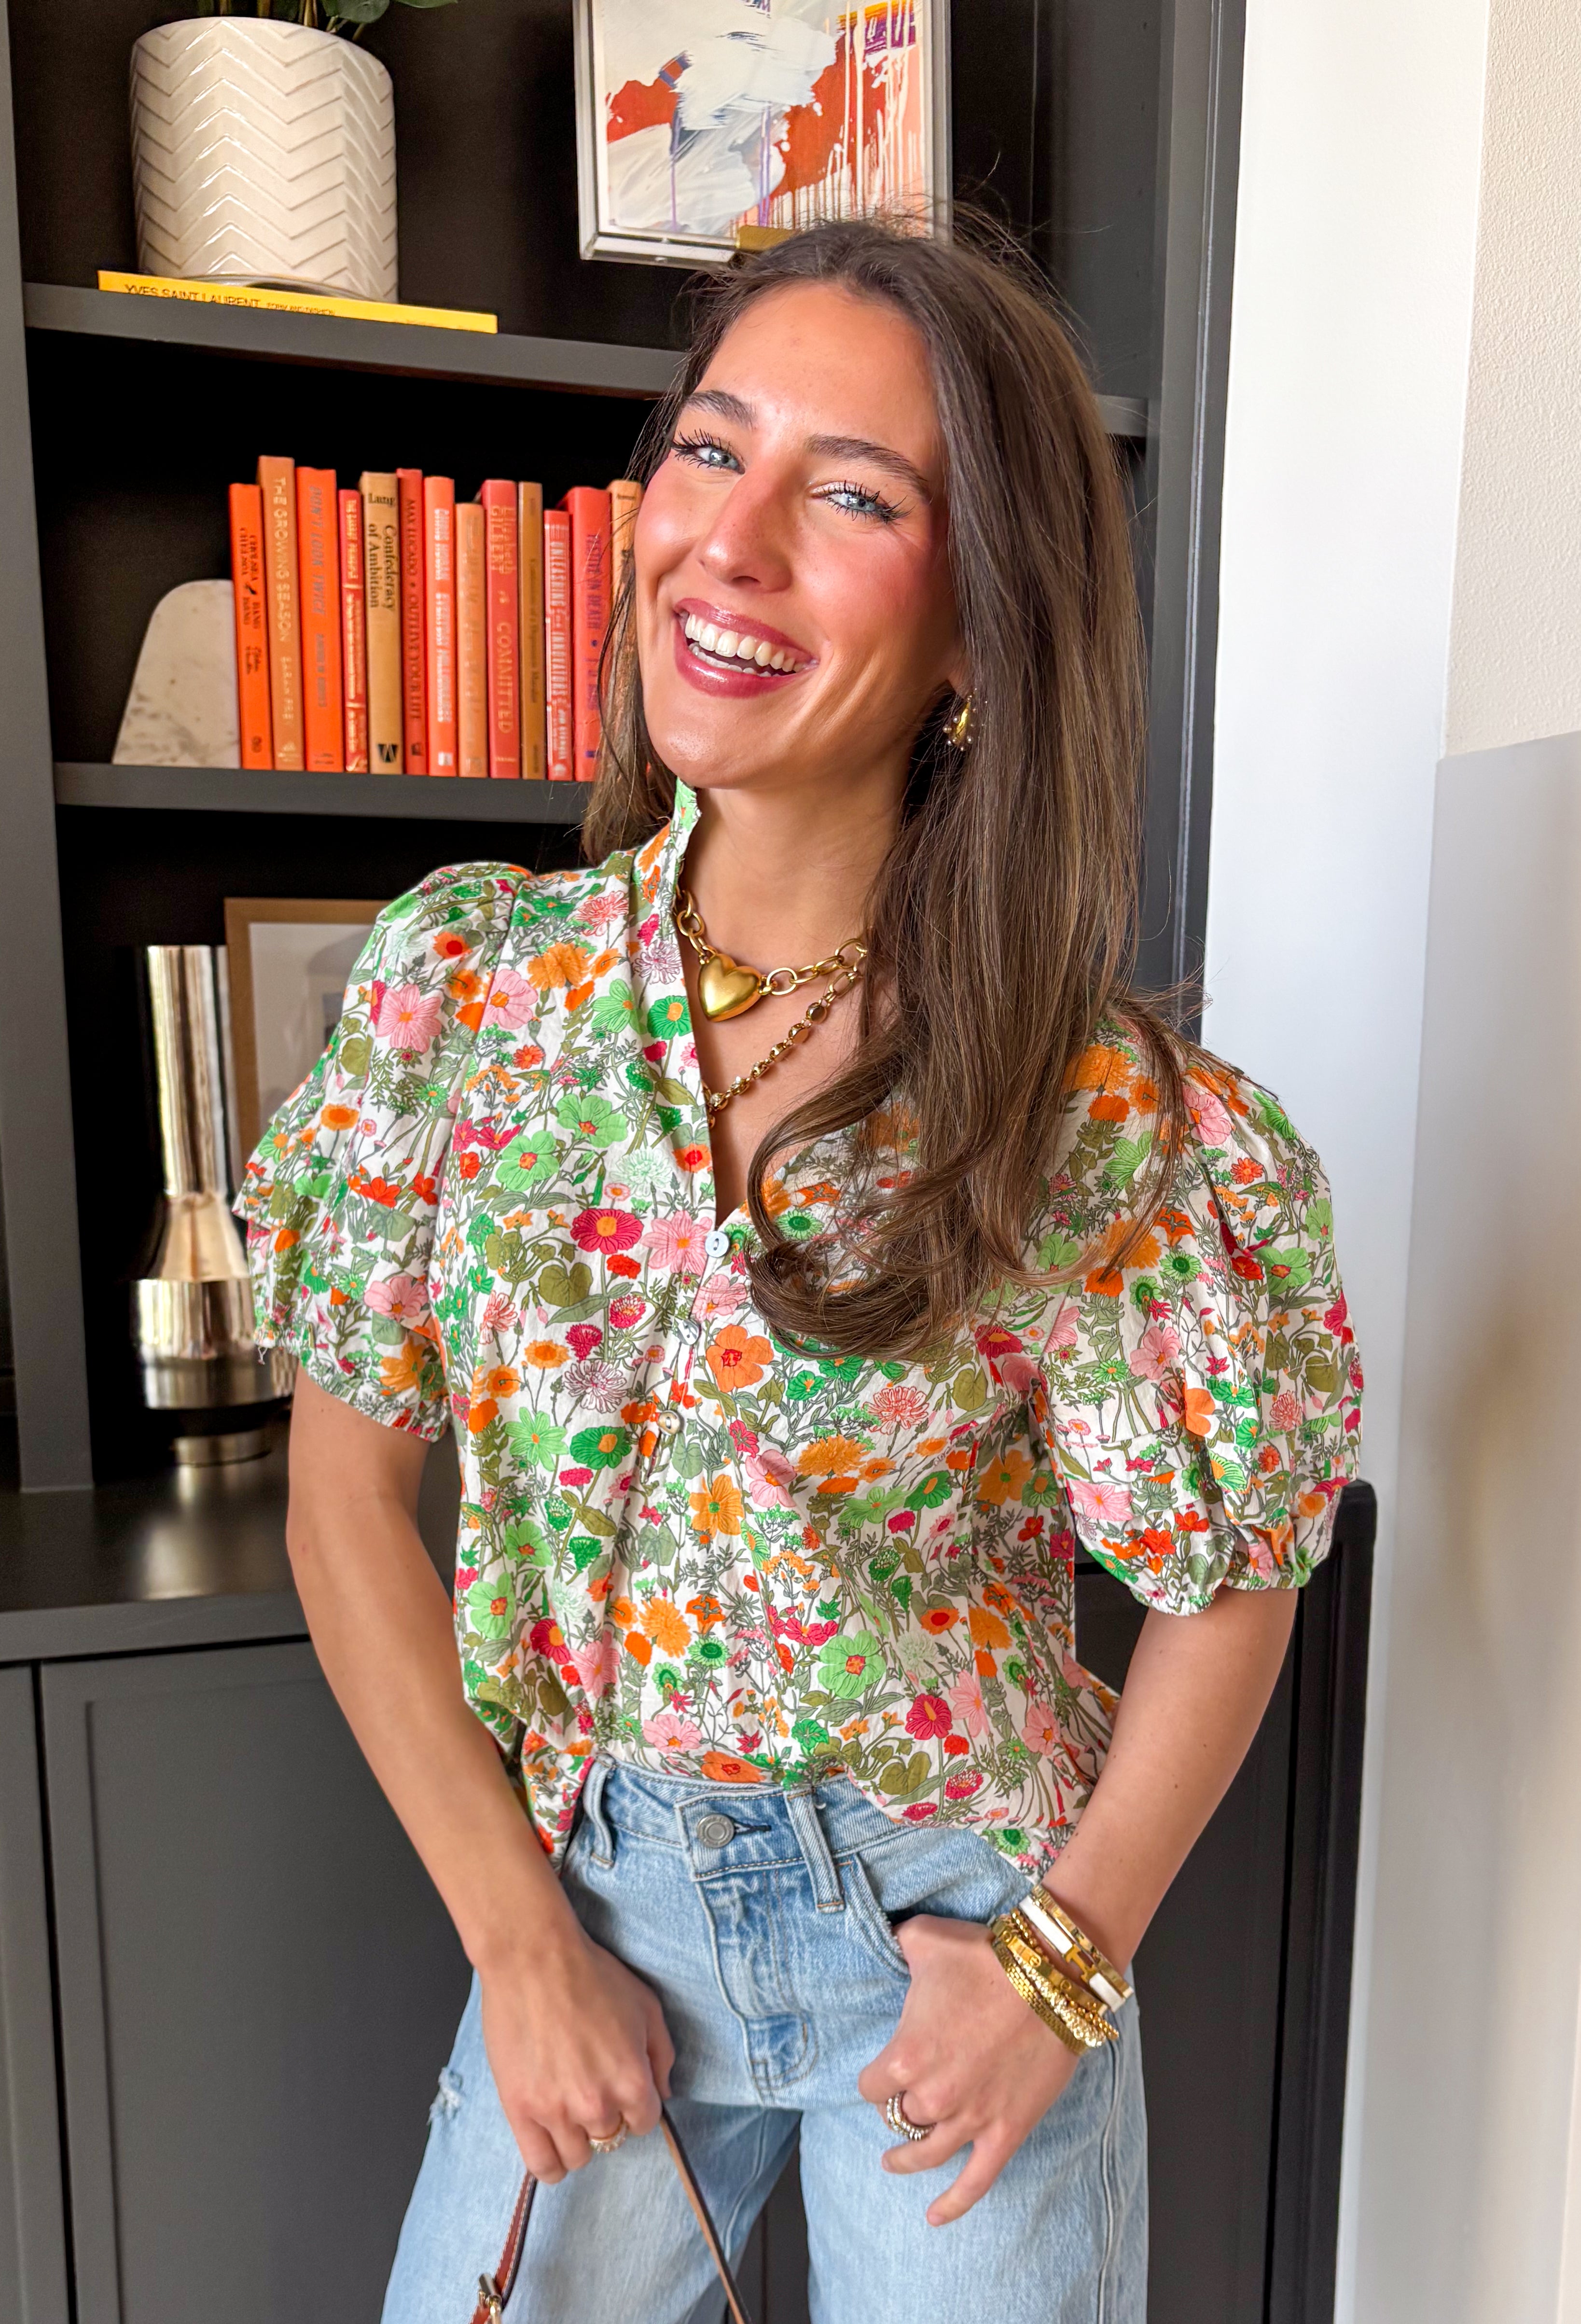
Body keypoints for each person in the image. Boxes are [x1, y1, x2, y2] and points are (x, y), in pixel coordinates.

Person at [238, 218, 1360, 2324]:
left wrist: (1061, 1964)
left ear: (978, 628)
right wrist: (516, 1939)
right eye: (708, 450)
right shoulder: (464, 996)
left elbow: (1229, 1580)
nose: (729, 544)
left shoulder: (1094, 1112)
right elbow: (342, 1500)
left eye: (851, 496)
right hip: (587, 1907)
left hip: (951, 1940)